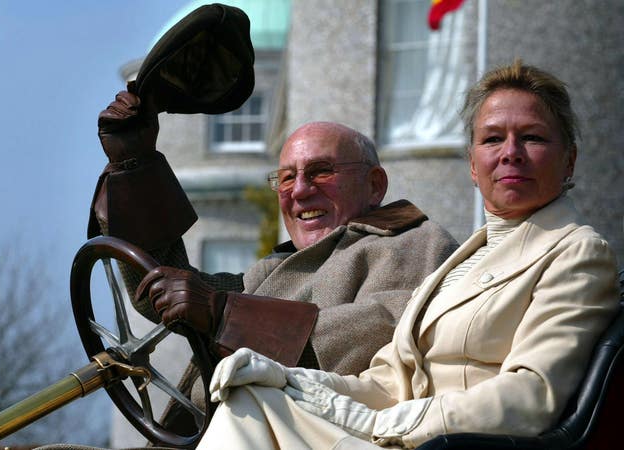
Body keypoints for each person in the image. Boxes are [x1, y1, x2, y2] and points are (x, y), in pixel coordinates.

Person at [195, 60, 621, 449]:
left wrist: (376, 420)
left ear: (569, 161)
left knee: (250, 409)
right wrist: (292, 381)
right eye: (492, 139)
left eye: (532, 137)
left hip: (440, 442)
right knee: (251, 398)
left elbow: (531, 396)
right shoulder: (467, 258)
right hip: (391, 430)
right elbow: (388, 378)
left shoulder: (573, 251)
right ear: (473, 167)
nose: (510, 152)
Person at [90, 88, 459, 430]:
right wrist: (134, 169)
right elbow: (164, 290)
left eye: (320, 171)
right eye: (285, 178)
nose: (299, 191)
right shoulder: (274, 270)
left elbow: (384, 328)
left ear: (375, 185)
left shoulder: (413, 243)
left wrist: (227, 317)